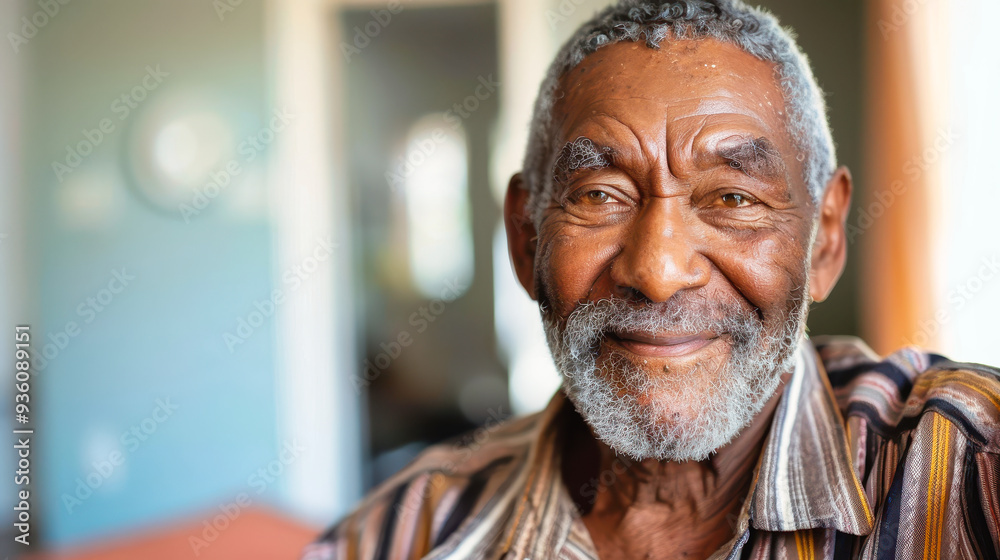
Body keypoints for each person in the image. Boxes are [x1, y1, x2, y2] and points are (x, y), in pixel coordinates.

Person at [303, 1, 1000, 558]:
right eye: (600, 196)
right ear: (525, 239)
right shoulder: (404, 533)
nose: (659, 273)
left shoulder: (970, 465)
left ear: (823, 240)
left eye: (733, 199)